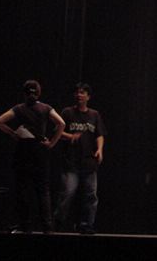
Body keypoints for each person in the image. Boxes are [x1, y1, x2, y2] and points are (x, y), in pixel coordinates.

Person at [0, 80, 65, 233]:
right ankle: (47, 227)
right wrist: (52, 143)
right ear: (39, 93)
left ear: (24, 93)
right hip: (40, 151)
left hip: (23, 150)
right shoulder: (45, 108)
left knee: (23, 189)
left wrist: (13, 134)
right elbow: (61, 123)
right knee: (43, 190)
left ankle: (26, 226)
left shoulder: (19, 108)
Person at [54, 82, 106, 234]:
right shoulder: (67, 112)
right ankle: (58, 223)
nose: (79, 95)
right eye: (77, 92)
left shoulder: (94, 115)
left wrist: (100, 149)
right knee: (67, 193)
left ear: (88, 97)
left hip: (89, 162)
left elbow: (99, 134)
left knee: (91, 196)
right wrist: (70, 136)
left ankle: (86, 225)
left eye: (82, 92)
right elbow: (57, 132)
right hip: (71, 162)